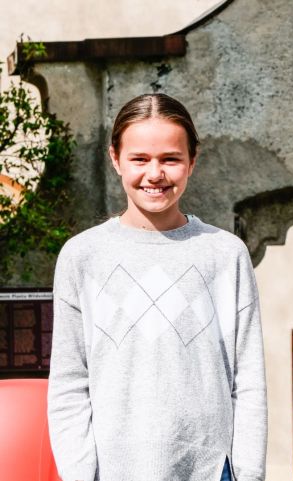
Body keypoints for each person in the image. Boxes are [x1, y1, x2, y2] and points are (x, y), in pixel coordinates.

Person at [48, 93, 267, 481]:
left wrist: (248, 473)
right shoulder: (82, 256)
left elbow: (247, 382)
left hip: (211, 470)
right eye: (140, 159)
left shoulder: (225, 254)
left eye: (170, 159)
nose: (155, 174)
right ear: (115, 158)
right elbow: (69, 384)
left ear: (192, 161)